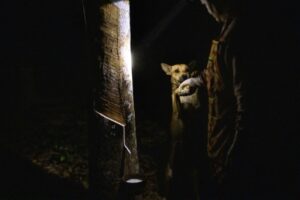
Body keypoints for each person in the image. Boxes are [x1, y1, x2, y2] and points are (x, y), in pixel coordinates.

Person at [176, 0, 247, 197]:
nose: (205, 9)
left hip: (229, 141)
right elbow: (215, 73)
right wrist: (195, 80)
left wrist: (235, 152)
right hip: (218, 137)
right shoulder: (225, 29)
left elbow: (246, 105)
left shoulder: (237, 38)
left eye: (206, 3)